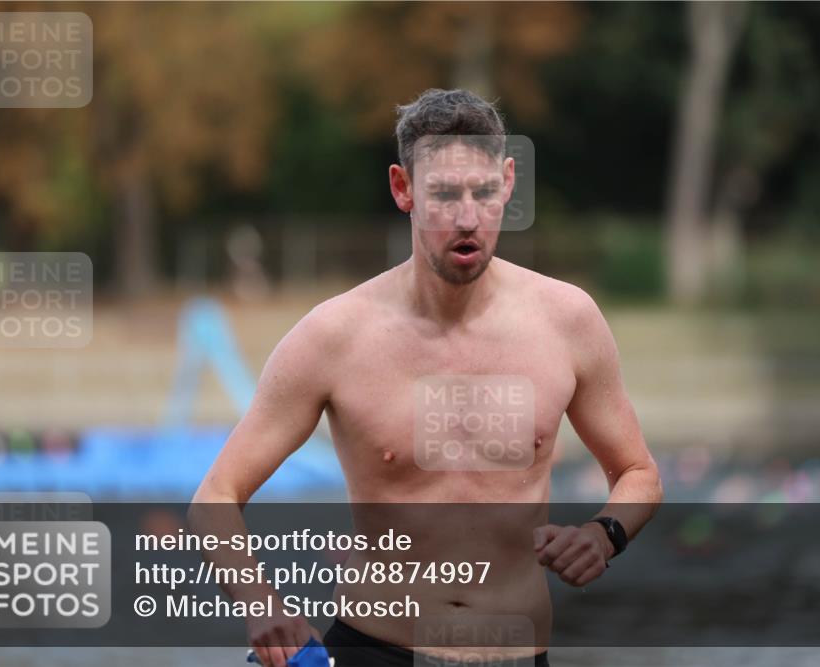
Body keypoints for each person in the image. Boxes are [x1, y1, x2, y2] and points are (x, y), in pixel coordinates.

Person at [190, 88, 663, 667]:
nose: (467, 218)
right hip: (376, 649)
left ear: (508, 184)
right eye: (443, 195)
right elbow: (215, 495)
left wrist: (603, 534)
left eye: (484, 193)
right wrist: (259, 603)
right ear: (403, 189)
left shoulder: (567, 321)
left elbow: (639, 473)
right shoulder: (334, 336)